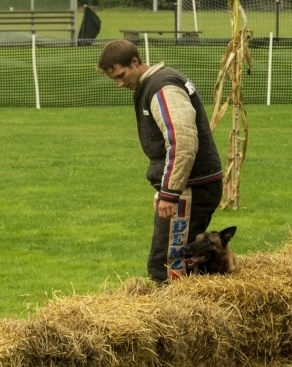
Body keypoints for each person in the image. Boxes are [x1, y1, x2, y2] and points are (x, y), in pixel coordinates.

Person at [96, 39, 223, 284]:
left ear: (135, 61)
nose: (120, 84)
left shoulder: (162, 87)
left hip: (192, 187)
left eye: (122, 75)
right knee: (173, 261)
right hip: (190, 186)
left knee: (167, 266)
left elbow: (182, 141)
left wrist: (169, 192)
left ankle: (173, 320)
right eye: (114, 80)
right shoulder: (155, 84)